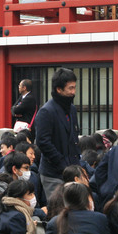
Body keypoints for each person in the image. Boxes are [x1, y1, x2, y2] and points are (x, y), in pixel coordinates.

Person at [34, 68, 81, 199]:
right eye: (70, 88)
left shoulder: (71, 109)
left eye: (74, 88)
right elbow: (43, 142)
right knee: (59, 211)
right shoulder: (46, 111)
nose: (74, 92)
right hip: (53, 173)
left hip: (72, 170)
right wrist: (62, 164)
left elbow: (74, 137)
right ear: (58, 89)